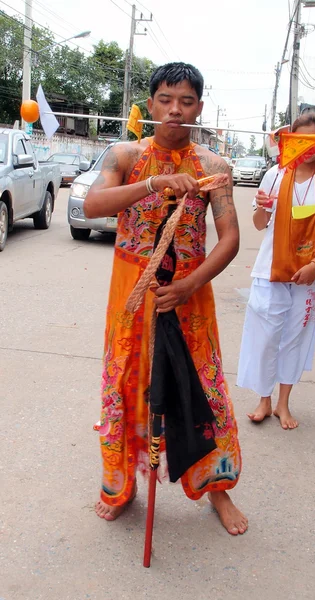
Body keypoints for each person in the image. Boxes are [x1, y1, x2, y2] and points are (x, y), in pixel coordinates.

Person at [84, 62, 247, 536]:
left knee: (201, 387)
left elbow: (230, 238)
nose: (175, 110)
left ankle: (217, 490)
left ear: (199, 106)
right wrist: (154, 184)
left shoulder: (214, 168)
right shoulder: (125, 155)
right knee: (124, 386)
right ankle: (120, 487)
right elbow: (93, 205)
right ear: (151, 103)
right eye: (166, 99)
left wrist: (188, 285)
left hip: (189, 295)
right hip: (131, 296)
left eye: (187, 101)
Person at [237, 114, 315, 430]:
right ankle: (264, 399)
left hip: (308, 273)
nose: (308, 149)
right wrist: (263, 207)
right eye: (300, 141)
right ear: (289, 141)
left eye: (314, 142)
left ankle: (283, 404)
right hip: (271, 269)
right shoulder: (274, 175)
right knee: (266, 334)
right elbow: (260, 225)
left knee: (294, 337)